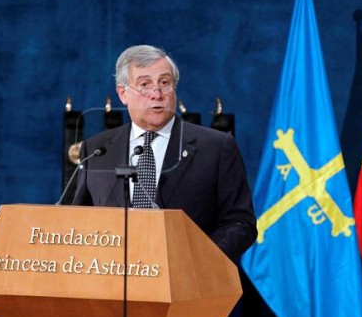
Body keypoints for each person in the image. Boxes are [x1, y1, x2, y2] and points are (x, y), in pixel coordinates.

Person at [72, 44, 256, 262]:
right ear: (123, 93)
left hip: (190, 283)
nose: (157, 94)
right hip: (112, 283)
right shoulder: (96, 150)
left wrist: (200, 261)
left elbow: (240, 222)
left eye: (165, 83)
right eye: (144, 85)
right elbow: (79, 222)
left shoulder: (216, 147)